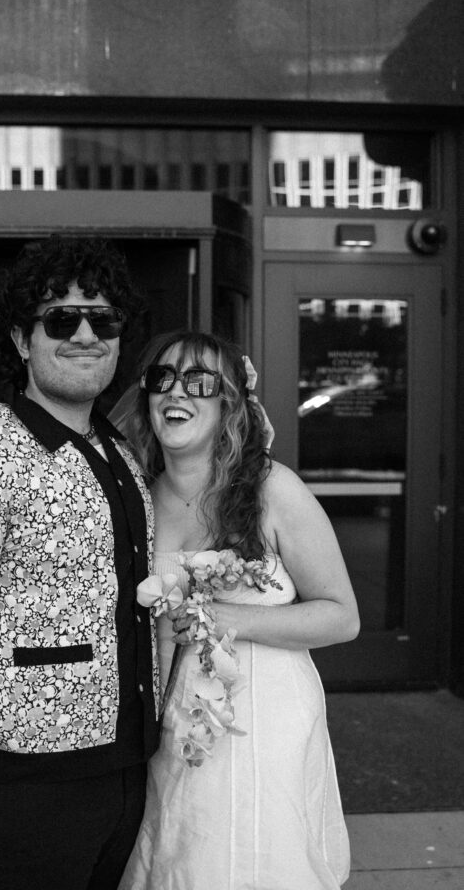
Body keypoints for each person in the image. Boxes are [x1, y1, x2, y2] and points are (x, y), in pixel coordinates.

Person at [0, 234, 159, 890]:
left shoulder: (118, 449)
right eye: (61, 319)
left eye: (104, 320)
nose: (86, 335)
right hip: (24, 792)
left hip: (124, 771)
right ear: (21, 339)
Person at [117, 330, 360, 890]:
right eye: (163, 378)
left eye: (199, 381)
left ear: (229, 402)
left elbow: (342, 616)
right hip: (173, 720)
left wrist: (229, 619)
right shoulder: (137, 498)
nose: (178, 391)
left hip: (265, 717)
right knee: (183, 855)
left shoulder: (274, 491)